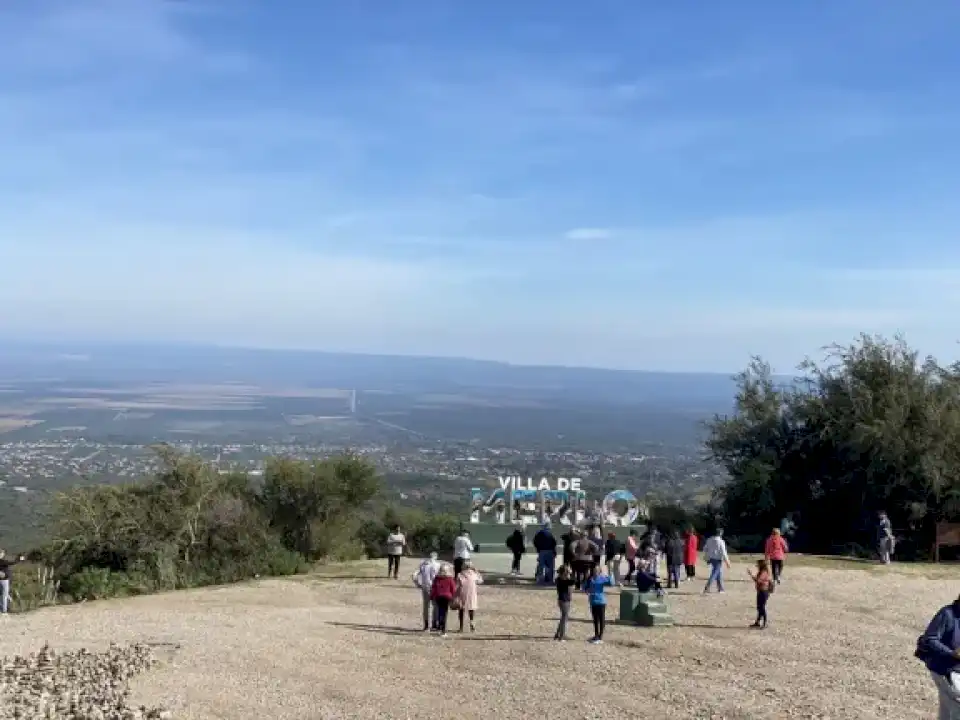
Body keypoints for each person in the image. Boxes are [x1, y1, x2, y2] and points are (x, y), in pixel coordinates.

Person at [917, 594, 960, 719]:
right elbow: (930, 639)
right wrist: (951, 653)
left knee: (946, 708)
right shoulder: (947, 614)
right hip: (945, 669)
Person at [582, 564, 614, 644]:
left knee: (601, 619)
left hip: (601, 601)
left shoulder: (602, 578)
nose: (595, 571)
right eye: (594, 570)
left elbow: (611, 583)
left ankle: (600, 636)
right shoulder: (590, 579)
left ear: (599, 571)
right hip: (593, 601)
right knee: (595, 619)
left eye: (597, 570)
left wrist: (610, 573)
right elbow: (584, 587)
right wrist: (586, 590)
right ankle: (596, 635)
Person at [412, 552, 440, 631]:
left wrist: (417, 584)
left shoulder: (423, 564)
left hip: (425, 586)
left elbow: (414, 575)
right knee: (436, 605)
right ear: (436, 557)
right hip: (435, 587)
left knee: (426, 606)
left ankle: (426, 625)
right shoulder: (438, 565)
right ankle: (435, 623)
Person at [430, 563, 457, 637]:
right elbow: (453, 589)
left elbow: (433, 588)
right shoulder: (450, 578)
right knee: (445, 614)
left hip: (438, 597)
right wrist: (454, 597)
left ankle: (440, 626)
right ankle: (443, 630)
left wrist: (431, 596)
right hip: (447, 597)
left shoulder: (437, 578)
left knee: (440, 612)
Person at [455, 560, 483, 633]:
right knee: (471, 610)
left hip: (462, 593)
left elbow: (457, 585)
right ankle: (472, 625)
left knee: (461, 610)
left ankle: (461, 627)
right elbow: (480, 581)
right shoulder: (474, 574)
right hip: (471, 593)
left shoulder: (460, 574)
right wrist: (477, 571)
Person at [702, 528, 731, 594]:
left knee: (718, 573)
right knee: (714, 573)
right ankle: (707, 587)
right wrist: (728, 562)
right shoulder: (721, 541)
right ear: (720, 533)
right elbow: (724, 553)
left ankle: (720, 588)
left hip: (711, 558)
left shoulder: (709, 539)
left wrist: (709, 554)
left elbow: (704, 549)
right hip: (718, 559)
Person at [747, 559, 774, 629]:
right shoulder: (762, 571)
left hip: (764, 592)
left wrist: (751, 574)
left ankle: (765, 623)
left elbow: (758, 580)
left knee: (761, 607)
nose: (757, 566)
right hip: (761, 591)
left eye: (758, 564)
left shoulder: (764, 572)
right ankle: (758, 622)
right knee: (759, 607)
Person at [554, 565, 575, 641]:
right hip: (564, 601)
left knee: (563, 617)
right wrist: (570, 573)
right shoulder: (563, 581)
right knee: (564, 618)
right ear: (564, 572)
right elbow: (573, 581)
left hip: (563, 600)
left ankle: (558, 634)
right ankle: (561, 636)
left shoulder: (559, 579)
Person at [0, 549, 25, 615]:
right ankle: (4, 611)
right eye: (2, 553)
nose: (3, 554)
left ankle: (9, 606)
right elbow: (13, 562)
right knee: (4, 595)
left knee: (3, 594)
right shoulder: (2, 561)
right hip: (4, 580)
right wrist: (19, 558)